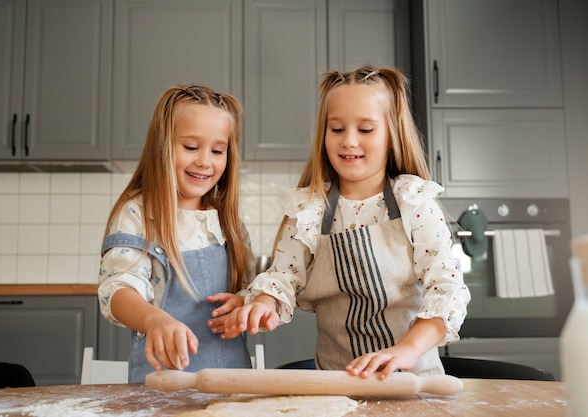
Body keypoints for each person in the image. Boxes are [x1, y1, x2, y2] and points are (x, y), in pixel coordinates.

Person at [216, 65, 470, 380]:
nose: (349, 141)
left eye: (365, 130)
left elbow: (446, 286)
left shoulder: (413, 202)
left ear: (392, 134)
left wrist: (407, 349)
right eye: (337, 129)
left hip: (413, 379)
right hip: (336, 384)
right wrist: (265, 302)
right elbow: (284, 275)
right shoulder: (310, 208)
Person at [98, 84, 255, 383]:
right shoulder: (138, 215)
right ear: (162, 145)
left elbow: (250, 288)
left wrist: (244, 302)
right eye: (191, 147)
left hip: (233, 386)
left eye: (217, 150)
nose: (205, 161)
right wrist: (154, 320)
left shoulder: (226, 221)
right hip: (162, 391)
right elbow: (117, 291)